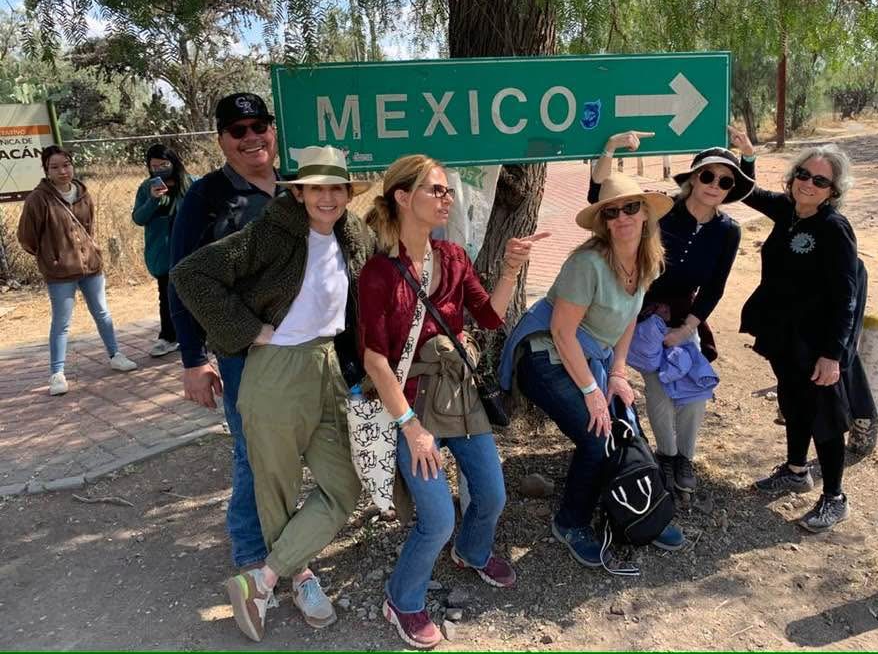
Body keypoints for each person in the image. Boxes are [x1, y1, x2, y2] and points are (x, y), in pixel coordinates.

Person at [171, 146, 374, 641]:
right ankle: (299, 577)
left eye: (337, 188)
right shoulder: (272, 232)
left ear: (348, 194)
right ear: (299, 192)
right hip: (277, 370)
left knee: (345, 483)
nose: (327, 198)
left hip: (326, 366)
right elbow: (189, 274)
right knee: (277, 487)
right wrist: (247, 329)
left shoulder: (355, 234)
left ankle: (261, 579)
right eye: (316, 188)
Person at [358, 155, 545, 650]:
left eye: (447, 191)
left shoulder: (455, 257)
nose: (446, 198)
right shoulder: (378, 273)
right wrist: (411, 427)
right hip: (411, 406)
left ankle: (472, 550)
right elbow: (376, 360)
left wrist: (509, 269)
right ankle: (402, 598)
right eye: (435, 190)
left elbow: (488, 317)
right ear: (402, 197)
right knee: (437, 518)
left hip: (460, 396)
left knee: (492, 494)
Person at [502, 170, 685, 569]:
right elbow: (562, 332)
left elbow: (628, 322)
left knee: (627, 428)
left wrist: (618, 374)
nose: (621, 218)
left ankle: (637, 508)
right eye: (612, 212)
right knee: (598, 437)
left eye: (630, 208)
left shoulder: (648, 260)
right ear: (603, 222)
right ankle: (571, 522)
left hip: (593, 360)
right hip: (546, 355)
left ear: (644, 215)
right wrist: (592, 392)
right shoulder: (587, 264)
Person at [588, 129, 755, 494]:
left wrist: (687, 328)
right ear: (694, 177)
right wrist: (610, 148)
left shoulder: (728, 232)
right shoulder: (660, 212)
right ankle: (665, 456)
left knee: (692, 386)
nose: (714, 185)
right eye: (707, 175)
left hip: (685, 315)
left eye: (725, 181)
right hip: (639, 312)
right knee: (660, 387)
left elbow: (716, 286)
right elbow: (602, 202)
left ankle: (685, 459)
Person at [168, 92, 279, 573]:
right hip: (240, 353)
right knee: (253, 451)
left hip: (302, 348)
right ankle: (253, 554)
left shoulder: (299, 182)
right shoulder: (206, 196)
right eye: (239, 131)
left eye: (260, 127)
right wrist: (192, 360)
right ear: (222, 140)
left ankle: (289, 541)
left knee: (293, 448)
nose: (252, 138)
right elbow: (181, 277)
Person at [739, 140, 868, 532]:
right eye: (802, 174)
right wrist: (747, 155)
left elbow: (846, 297)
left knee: (824, 418)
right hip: (784, 334)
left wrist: (833, 354)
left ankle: (835, 497)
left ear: (834, 190)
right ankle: (796, 471)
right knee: (792, 403)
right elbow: (747, 192)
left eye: (819, 180)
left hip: (818, 343)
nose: (807, 184)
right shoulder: (789, 211)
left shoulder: (834, 228)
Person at [17, 146, 138, 396]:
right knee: (62, 321)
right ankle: (57, 373)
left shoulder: (83, 193)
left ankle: (115, 354)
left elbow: (89, 226)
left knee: (102, 312)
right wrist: (51, 258)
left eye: (67, 164)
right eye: (55, 167)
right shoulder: (38, 199)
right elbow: (27, 238)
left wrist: (91, 250)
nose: (63, 171)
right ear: (46, 170)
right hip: (60, 273)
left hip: (91, 266)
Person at [132, 143, 195, 357]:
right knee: (167, 295)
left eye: (164, 164)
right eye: (154, 166)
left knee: (197, 292)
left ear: (174, 162)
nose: (159, 169)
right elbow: (138, 218)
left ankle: (202, 335)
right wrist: (153, 200)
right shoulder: (146, 188)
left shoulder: (191, 183)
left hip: (191, 248)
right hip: (163, 252)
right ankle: (168, 337)